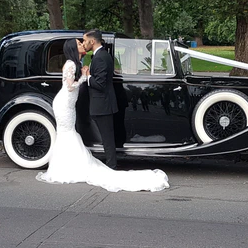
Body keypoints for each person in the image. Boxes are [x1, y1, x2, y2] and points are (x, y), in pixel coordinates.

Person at [36, 39, 169, 192]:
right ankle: (66, 168)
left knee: (68, 132)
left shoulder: (76, 62)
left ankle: (68, 166)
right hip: (64, 104)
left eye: (82, 42)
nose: (82, 45)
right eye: (79, 44)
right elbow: (69, 87)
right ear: (73, 49)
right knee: (67, 132)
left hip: (68, 104)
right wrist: (85, 77)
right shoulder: (71, 64)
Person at [82, 29, 118, 169]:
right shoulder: (99, 55)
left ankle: (111, 167)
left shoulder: (101, 57)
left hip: (103, 104)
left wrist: (88, 75)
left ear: (92, 41)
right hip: (102, 104)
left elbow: (101, 84)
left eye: (85, 41)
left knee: (107, 139)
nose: (84, 44)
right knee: (106, 138)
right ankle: (111, 165)